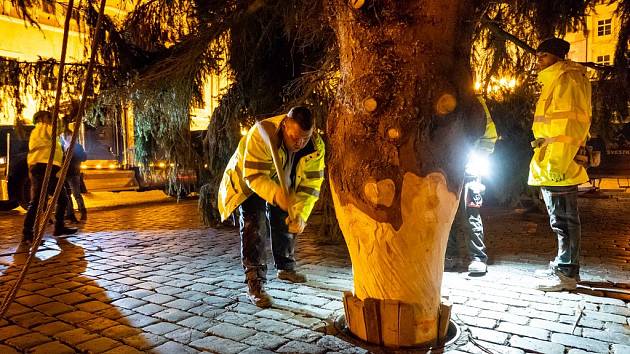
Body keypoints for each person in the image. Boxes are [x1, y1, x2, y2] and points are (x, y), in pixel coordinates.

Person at [218, 106, 325, 308]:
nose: (300, 143)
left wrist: (301, 214)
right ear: (285, 125)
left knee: (286, 217)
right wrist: (276, 195)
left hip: (283, 180)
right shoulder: (261, 135)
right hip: (248, 182)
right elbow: (255, 176)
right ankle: (255, 283)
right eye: (295, 137)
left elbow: (310, 186)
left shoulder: (315, 147)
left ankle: (286, 267)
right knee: (254, 224)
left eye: (305, 137)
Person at [529, 38, 592, 291]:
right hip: (553, 160)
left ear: (557, 57)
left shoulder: (568, 79)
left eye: (543, 56)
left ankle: (567, 272)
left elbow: (569, 126)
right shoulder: (557, 79)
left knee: (565, 219)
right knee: (560, 219)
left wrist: (555, 164)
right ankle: (563, 264)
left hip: (559, 162)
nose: (538, 61)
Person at [445, 96, 498, 275]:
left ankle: (478, 257)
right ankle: (450, 255)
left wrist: (478, 158)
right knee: (446, 215)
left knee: (471, 213)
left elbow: (490, 135)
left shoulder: (474, 102)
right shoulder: (437, 96)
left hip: (469, 169)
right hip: (446, 171)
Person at [22, 110, 78, 243]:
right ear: (40, 118)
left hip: (50, 169)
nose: (51, 119)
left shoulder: (46, 132)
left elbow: (55, 153)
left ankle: (59, 227)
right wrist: (66, 118)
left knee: (63, 199)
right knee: (37, 202)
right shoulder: (41, 128)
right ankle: (27, 233)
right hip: (41, 168)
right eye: (49, 117)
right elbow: (57, 129)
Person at [61, 125, 88, 222]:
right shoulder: (62, 147)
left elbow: (84, 158)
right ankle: (70, 214)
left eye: (69, 135)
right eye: (65, 136)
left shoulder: (77, 146)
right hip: (64, 174)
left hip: (73, 174)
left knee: (76, 194)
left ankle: (83, 212)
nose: (67, 138)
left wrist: (78, 152)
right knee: (66, 195)